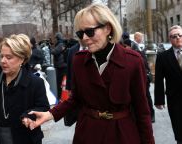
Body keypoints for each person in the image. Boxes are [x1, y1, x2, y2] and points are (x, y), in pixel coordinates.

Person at [22, 4, 154, 144]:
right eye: (80, 33)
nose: (84, 38)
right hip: (88, 133)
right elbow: (75, 99)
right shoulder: (79, 60)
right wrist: (50, 114)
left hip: (122, 134)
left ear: (107, 28)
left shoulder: (132, 61)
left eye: (90, 32)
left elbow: (142, 111)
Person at [0, 34, 50, 144]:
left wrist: (29, 115)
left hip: (24, 138)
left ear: (22, 59)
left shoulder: (35, 82)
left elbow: (43, 107)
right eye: (1, 56)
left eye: (9, 57)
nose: (3, 61)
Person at [123, 38, 155, 123]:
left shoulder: (137, 54)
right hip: (141, 79)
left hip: (144, 79)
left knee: (146, 97)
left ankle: (151, 114)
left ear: (129, 46)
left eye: (125, 46)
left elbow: (145, 66)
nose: (124, 48)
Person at [50, 32, 67, 100]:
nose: (55, 40)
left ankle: (60, 96)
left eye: (56, 38)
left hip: (61, 66)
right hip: (61, 66)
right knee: (60, 82)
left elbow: (54, 52)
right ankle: (60, 96)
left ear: (58, 38)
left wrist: (50, 47)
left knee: (60, 82)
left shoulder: (61, 44)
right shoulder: (60, 44)